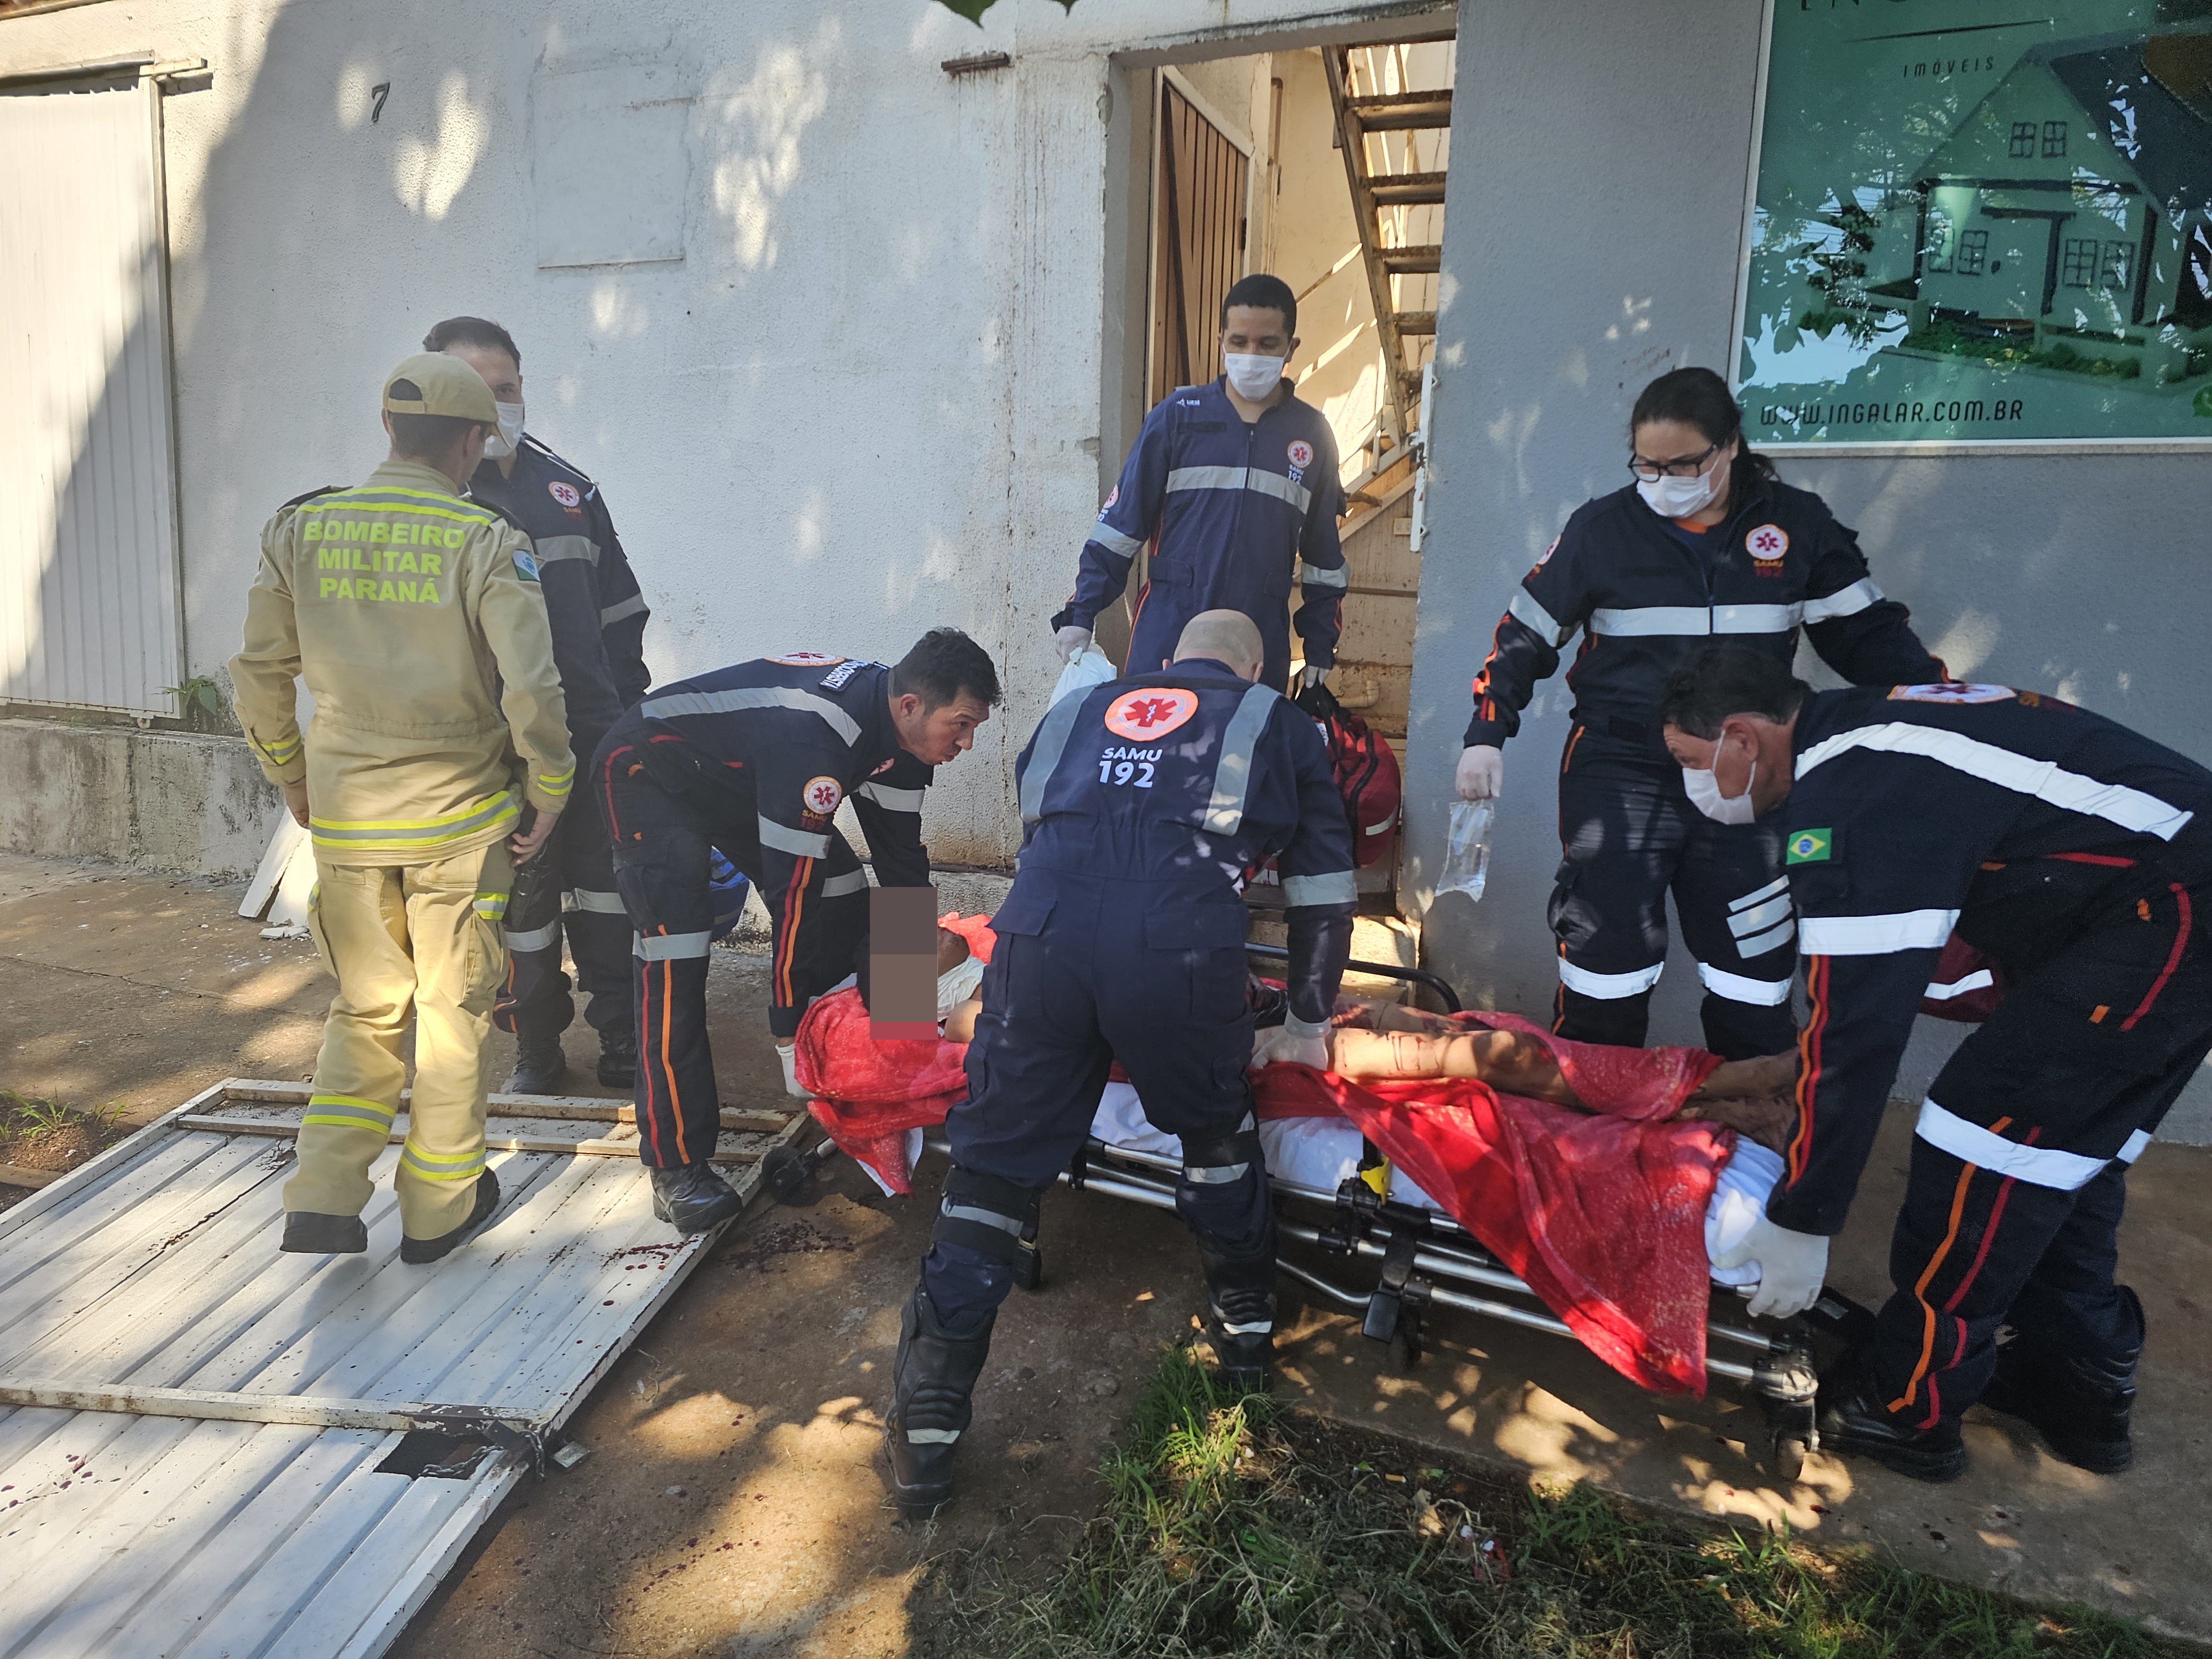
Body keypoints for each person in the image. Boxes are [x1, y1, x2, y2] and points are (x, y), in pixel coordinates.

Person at [1658, 640, 2212, 1482]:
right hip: (2159, 907)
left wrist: (1806, 1216)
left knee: (1979, 1139)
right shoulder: (1881, 733)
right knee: (2058, 1151)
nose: (1694, 785)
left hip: (2166, 914)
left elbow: (1851, 1037)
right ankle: (2079, 1383)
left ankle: (1908, 1409)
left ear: (1743, 736)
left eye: (1691, 762)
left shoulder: (1849, 794)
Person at [883, 609, 1357, 1520]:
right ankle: (1248, 1342)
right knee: (1218, 1140)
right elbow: (1323, 891)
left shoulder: (1076, 709)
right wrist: (1305, 1019)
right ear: (1256, 666)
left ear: (1168, 659)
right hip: (1179, 954)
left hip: (1040, 944)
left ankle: (929, 1432)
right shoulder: (1278, 722)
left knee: (988, 1177)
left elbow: (1047, 826)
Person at [1456, 367, 1947, 1061]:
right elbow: (1523, 636)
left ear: (1729, 448)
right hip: (1622, 767)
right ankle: (1597, 1129)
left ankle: (1750, 1132)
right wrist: (1486, 733)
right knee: (1607, 957)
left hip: (1750, 776)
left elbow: (1872, 642)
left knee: (1753, 966)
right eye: (1647, 465)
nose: (1662, 479)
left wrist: (1942, 709)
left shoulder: (1795, 528)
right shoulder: (1602, 531)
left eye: (1682, 463)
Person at [229, 353, 573, 1263]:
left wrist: (292, 776)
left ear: (388, 430)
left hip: (346, 823)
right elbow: (533, 688)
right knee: (452, 1014)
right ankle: (438, 1208)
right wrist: (550, 788)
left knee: (365, 1008)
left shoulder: (298, 529)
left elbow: (260, 673)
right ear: (468, 444)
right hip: (458, 826)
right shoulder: (487, 541)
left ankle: (324, 1199)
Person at [594, 632, 1000, 1234]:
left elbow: (902, 871)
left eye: (973, 731)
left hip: (733, 774)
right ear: (912, 707)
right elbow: (792, 897)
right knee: (676, 954)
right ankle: (676, 1164)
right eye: (960, 726)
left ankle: (842, 1055)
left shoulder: (905, 736)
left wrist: (905, 1019)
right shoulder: (816, 740)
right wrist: (784, 1032)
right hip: (650, 772)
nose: (965, 745)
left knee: (847, 893)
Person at [426, 315, 654, 1094]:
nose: (494, 407)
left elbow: (623, 617)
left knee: (607, 894)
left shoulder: (569, 493)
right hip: (489, 751)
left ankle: (622, 1034)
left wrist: (630, 723)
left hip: (590, 735)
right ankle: (535, 1044)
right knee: (513, 911)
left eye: (507, 390)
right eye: (474, 392)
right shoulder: (428, 505)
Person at [1053, 274, 1348, 695]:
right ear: (1221, 340)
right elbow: (1119, 528)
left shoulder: (1312, 435)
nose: (1251, 354)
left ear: (1291, 348)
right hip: (1170, 626)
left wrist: (1319, 645)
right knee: (1152, 748)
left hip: (1255, 635)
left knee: (1243, 756)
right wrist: (1080, 613)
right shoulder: (1178, 418)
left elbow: (1324, 556)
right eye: (1239, 341)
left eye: (1267, 345)